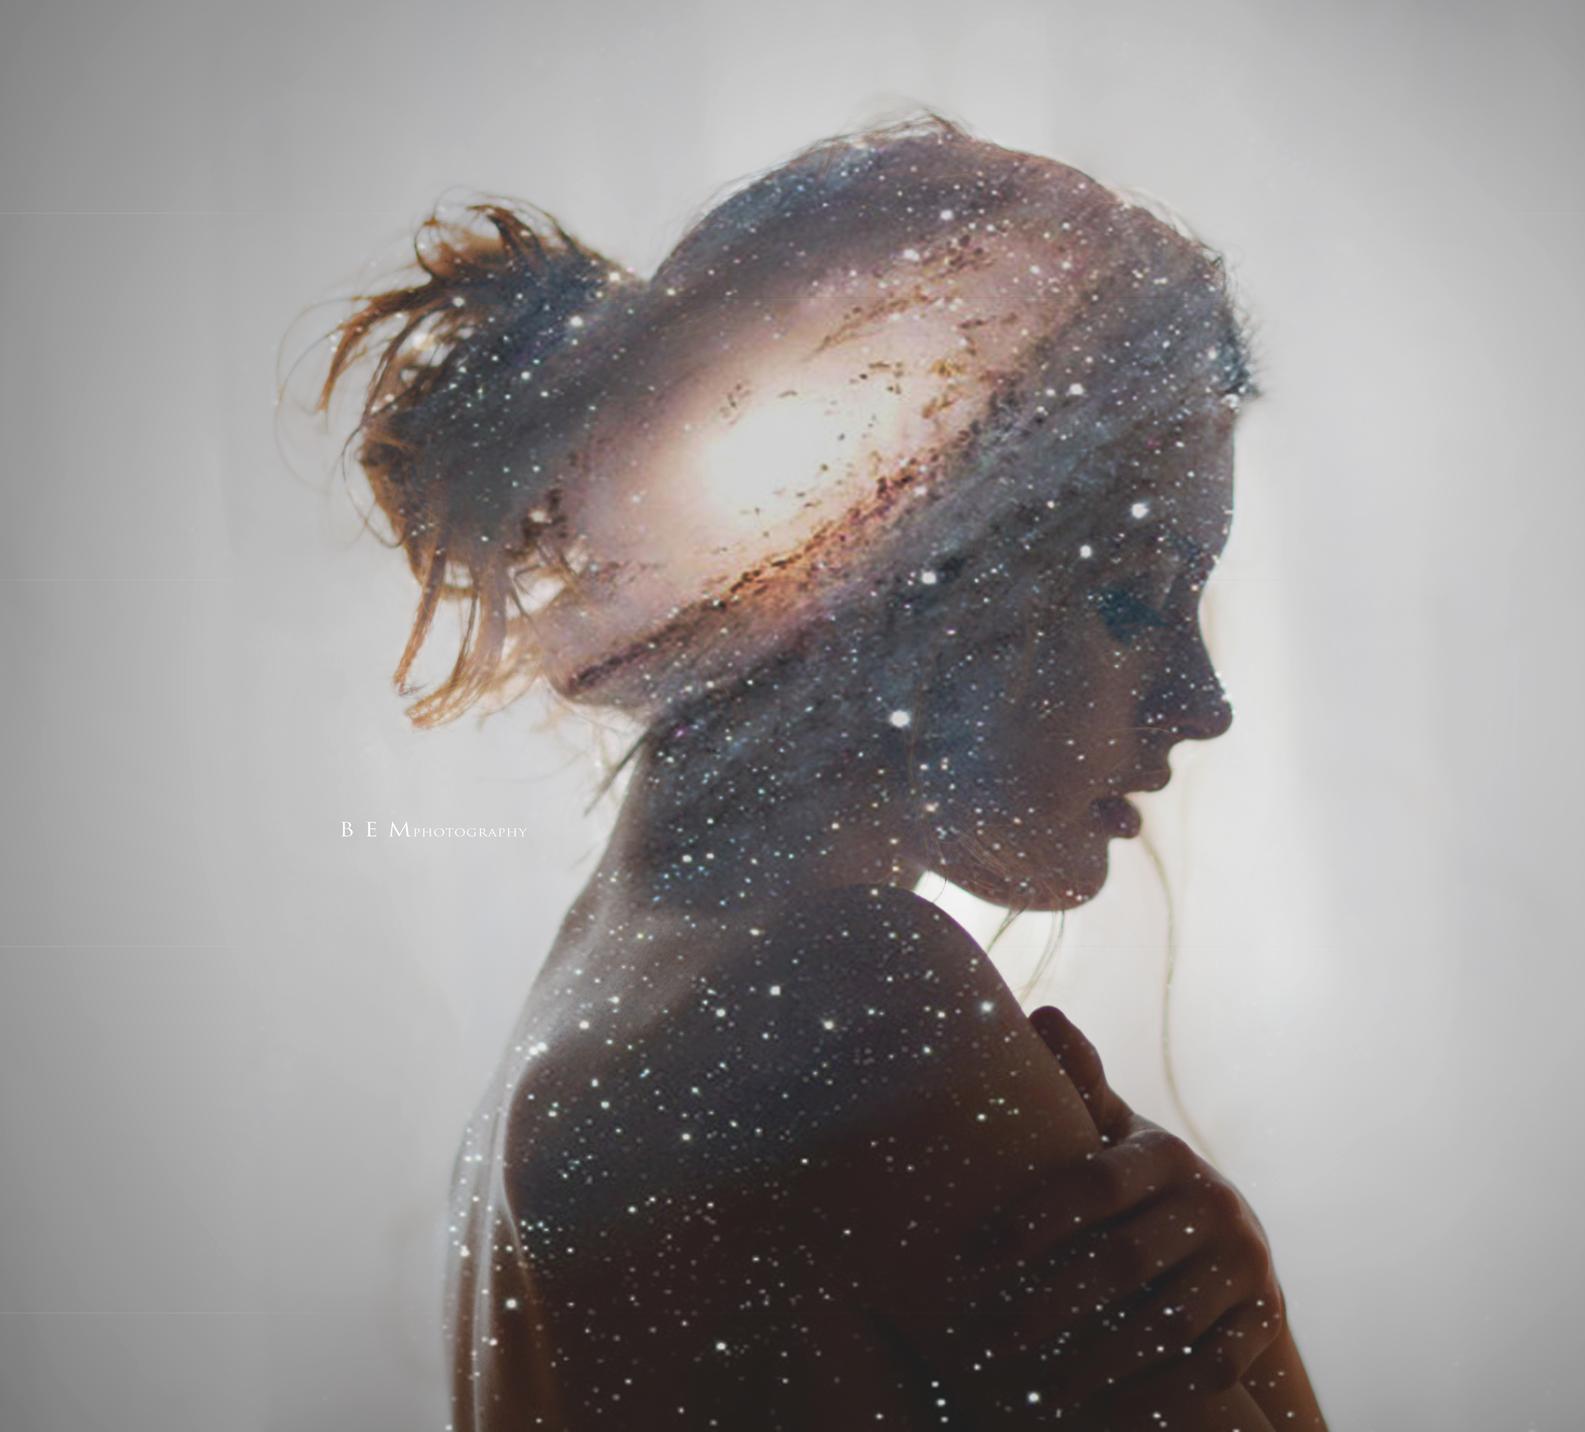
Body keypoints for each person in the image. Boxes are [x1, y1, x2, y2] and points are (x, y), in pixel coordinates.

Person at [314, 111, 1326, 1431]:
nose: (1205, 705)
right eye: (1132, 600)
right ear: (895, 577)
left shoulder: (605, 990)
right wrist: (1252, 1335)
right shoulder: (852, 1000)